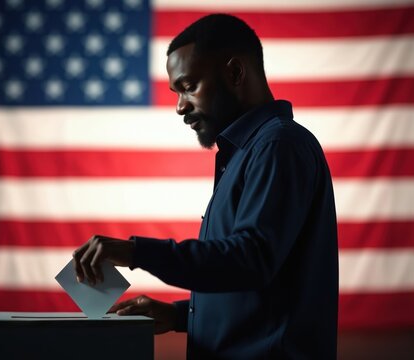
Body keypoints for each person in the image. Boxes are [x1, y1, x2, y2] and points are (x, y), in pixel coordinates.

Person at [72, 14, 339, 359]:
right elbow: (262, 289)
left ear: (235, 73)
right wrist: (179, 316)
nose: (181, 106)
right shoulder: (249, 152)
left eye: (189, 86)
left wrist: (136, 252)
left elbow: (251, 259)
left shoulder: (278, 145)